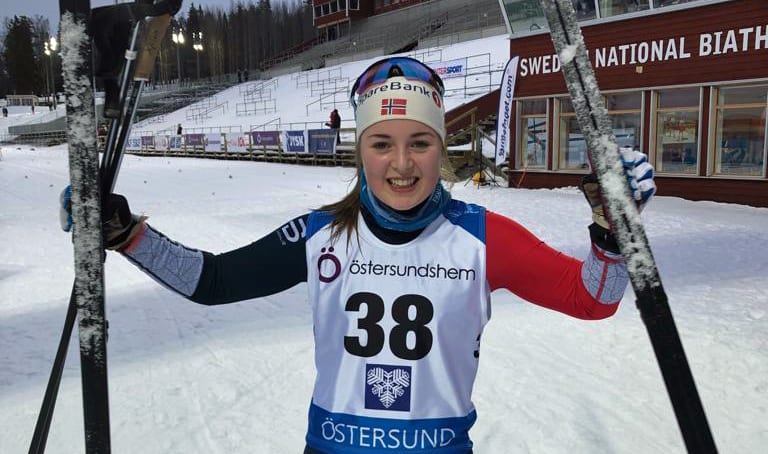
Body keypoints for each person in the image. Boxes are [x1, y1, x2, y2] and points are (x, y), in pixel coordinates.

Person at [62, 57, 656, 453]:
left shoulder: (483, 237)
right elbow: (213, 280)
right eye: (381, 144)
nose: (401, 164)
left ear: (440, 147)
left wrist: (612, 232)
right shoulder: (320, 233)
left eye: (419, 142)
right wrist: (125, 234)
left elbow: (591, 299)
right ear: (360, 151)